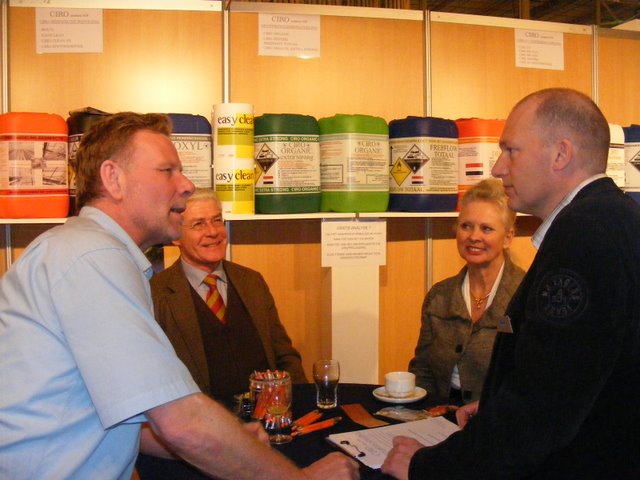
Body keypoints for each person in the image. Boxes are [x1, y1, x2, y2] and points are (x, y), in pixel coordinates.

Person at [0, 112, 359, 480]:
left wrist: (234, 443)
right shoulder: (93, 257)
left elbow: (117, 418)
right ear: (113, 178)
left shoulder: (85, 251)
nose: (186, 185)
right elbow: (183, 424)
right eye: (167, 171)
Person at [382, 88, 640, 479]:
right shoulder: (612, 217)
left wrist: (425, 466)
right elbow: (579, 378)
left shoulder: (584, 236)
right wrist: (496, 407)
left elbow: (543, 409)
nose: (498, 168)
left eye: (511, 150)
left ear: (560, 155)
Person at [136, 188, 308, 478]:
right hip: (200, 453)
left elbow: (285, 355)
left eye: (217, 220)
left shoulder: (252, 282)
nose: (213, 232)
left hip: (269, 439)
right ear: (176, 236)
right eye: (199, 224)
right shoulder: (155, 295)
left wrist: (294, 406)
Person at [408, 179, 525, 404]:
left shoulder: (526, 295)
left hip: (501, 415)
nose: (474, 237)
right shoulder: (439, 296)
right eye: (466, 226)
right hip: (440, 412)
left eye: (486, 228)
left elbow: (533, 376)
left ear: (508, 237)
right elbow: (422, 370)